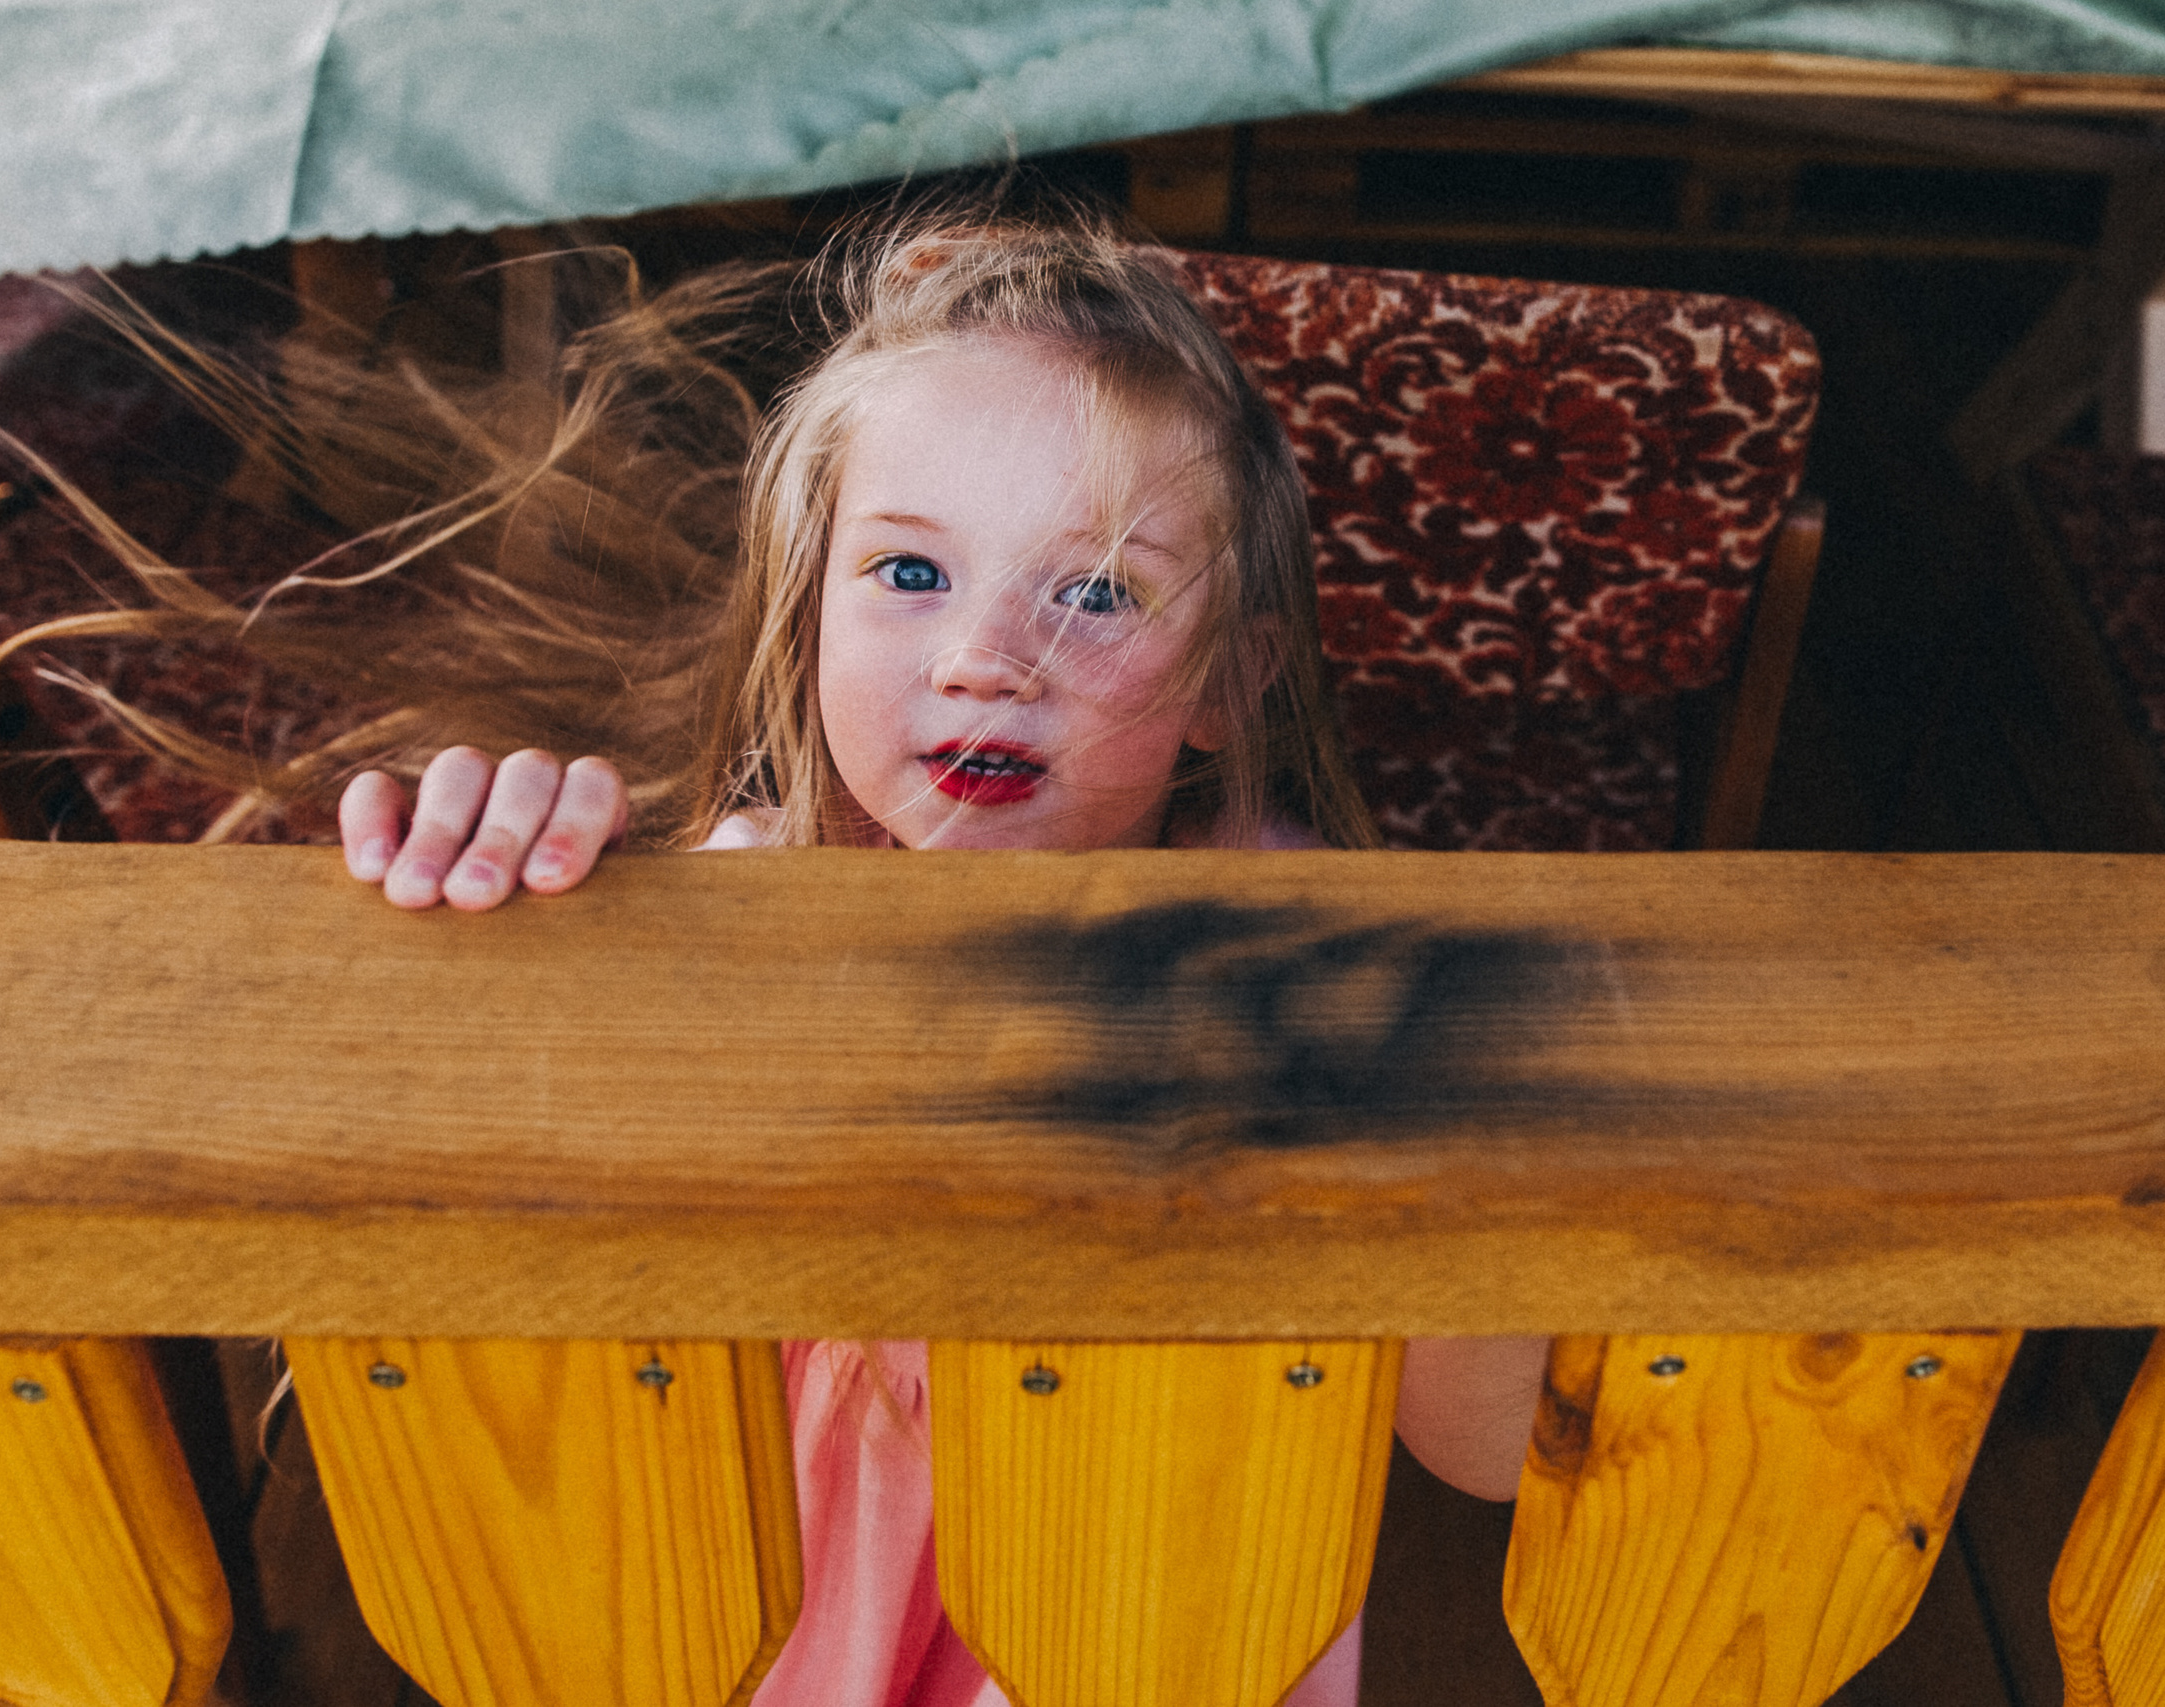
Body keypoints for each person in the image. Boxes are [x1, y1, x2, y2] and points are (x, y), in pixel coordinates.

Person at [323, 215, 1548, 1707]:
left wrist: (1425, 1118)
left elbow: (1492, 1449)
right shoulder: (736, 921)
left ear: (1229, 679)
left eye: (1094, 591)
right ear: (807, 610)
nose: (985, 655)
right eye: (908, 573)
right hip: (779, 1643)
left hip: (1159, 1639)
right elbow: (486, 1326)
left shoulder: (1314, 963)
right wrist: (514, 937)